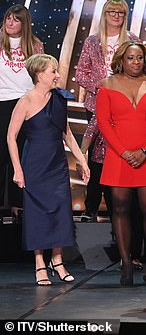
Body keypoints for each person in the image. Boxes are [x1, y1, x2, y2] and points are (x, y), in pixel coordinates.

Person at [7, 54, 89, 285]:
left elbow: (67, 133)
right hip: (34, 163)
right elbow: (11, 137)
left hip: (57, 164)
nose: (58, 76)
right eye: (53, 71)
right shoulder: (25, 101)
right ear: (39, 74)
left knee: (60, 210)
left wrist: (82, 160)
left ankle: (58, 260)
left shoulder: (59, 99)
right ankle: (40, 263)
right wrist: (17, 169)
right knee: (37, 213)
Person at [96, 41, 146, 286]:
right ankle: (126, 262)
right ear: (121, 60)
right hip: (118, 156)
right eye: (130, 58)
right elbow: (104, 123)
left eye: (139, 58)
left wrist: (144, 150)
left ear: (144, 60)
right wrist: (125, 152)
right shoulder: (107, 85)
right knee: (120, 208)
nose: (135, 63)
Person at [75, 0, 137, 221]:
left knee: (117, 155)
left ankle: (117, 209)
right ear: (104, 14)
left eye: (120, 12)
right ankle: (90, 207)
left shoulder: (132, 41)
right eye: (112, 11)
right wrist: (100, 85)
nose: (116, 16)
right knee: (95, 158)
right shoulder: (92, 42)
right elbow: (80, 74)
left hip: (124, 108)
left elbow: (140, 72)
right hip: (96, 105)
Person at [0, 5, 44, 216]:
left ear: (24, 23)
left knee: (22, 156)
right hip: (2, 101)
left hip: (26, 104)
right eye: (8, 18)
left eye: (15, 19)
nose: (10, 22)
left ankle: (19, 205)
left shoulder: (35, 46)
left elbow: (41, 77)